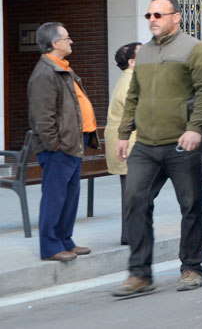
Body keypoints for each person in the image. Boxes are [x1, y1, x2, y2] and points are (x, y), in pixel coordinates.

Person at [113, 0, 202, 296]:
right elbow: (134, 94)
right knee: (134, 201)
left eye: (158, 15)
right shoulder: (143, 52)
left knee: (191, 205)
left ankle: (191, 268)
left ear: (176, 17)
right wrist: (123, 133)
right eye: (148, 16)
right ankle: (140, 274)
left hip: (181, 143)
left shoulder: (194, 49)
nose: (152, 20)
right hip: (145, 145)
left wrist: (196, 128)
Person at [28, 22, 96, 262]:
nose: (71, 41)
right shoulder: (45, 73)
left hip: (73, 142)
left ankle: (65, 240)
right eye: (67, 38)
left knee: (69, 196)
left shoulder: (62, 68)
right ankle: (50, 247)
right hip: (59, 147)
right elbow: (41, 116)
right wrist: (54, 144)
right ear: (55, 43)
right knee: (55, 197)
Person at [104, 42, 141, 246]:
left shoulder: (132, 79)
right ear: (132, 62)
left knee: (133, 191)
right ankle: (131, 234)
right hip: (129, 144)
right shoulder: (130, 82)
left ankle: (132, 232)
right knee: (133, 191)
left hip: (128, 143)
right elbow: (137, 113)